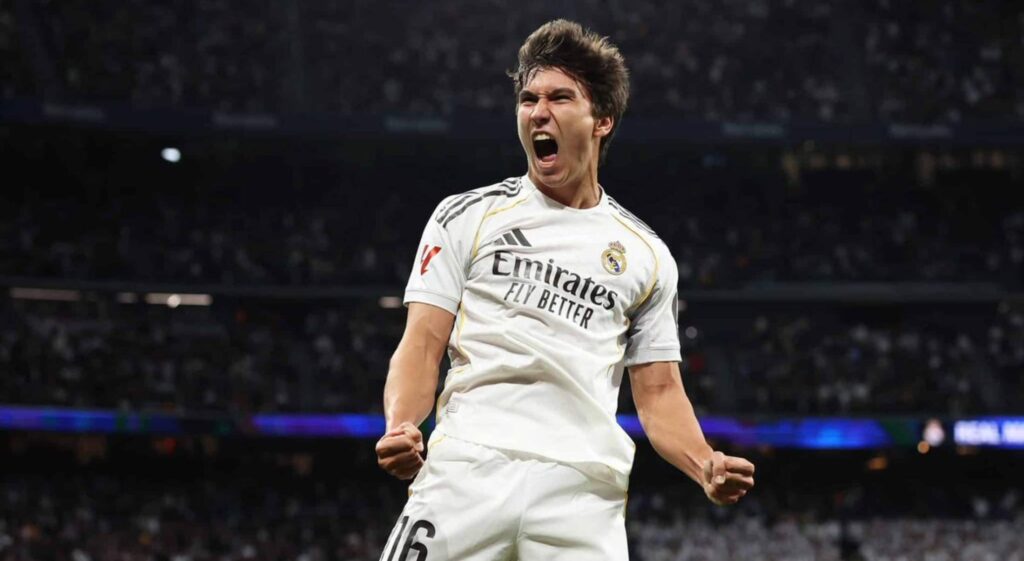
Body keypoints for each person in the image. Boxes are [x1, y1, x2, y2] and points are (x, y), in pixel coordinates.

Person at [375, 19, 755, 560]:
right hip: (468, 468)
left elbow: (659, 393)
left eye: (559, 97)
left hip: (582, 494)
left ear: (602, 120)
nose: (538, 111)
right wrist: (400, 426)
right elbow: (421, 343)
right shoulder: (465, 216)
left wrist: (704, 463)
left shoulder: (646, 256)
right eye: (528, 99)